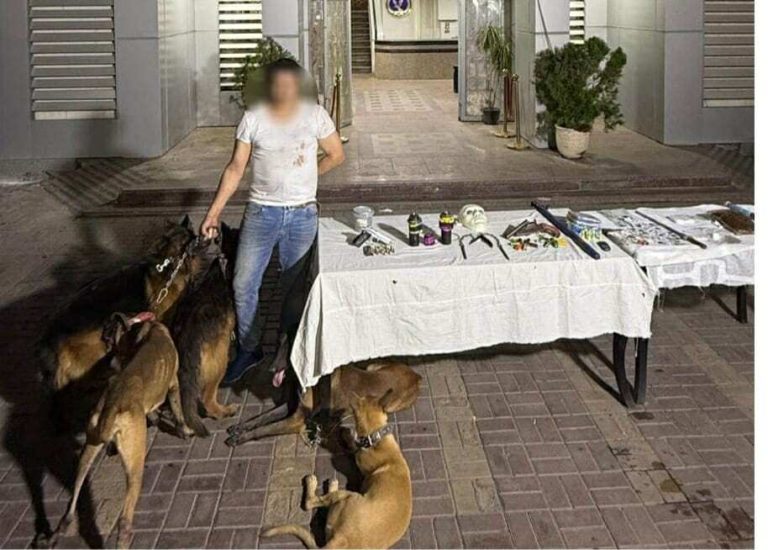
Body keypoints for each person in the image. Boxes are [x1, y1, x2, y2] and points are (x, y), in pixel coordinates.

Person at [200, 58, 345, 384]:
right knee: (243, 283)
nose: (284, 90)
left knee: (294, 289)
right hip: (261, 213)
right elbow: (235, 167)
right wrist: (213, 213)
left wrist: (308, 176)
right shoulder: (253, 118)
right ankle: (249, 348)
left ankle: (288, 351)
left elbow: (336, 154)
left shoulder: (315, 115)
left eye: (290, 84)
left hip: (302, 215)